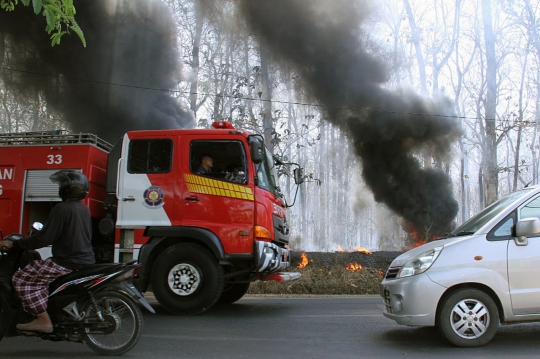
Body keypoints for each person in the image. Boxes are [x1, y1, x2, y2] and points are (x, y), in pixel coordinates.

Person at [0, 170, 95, 333]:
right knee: (36, 271)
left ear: (67, 188)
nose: (59, 187)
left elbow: (44, 238)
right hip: (83, 259)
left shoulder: (62, 208)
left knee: (21, 279)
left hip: (66, 261)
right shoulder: (83, 209)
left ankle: (43, 320)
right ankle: (44, 308)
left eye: (60, 184)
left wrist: (15, 245)